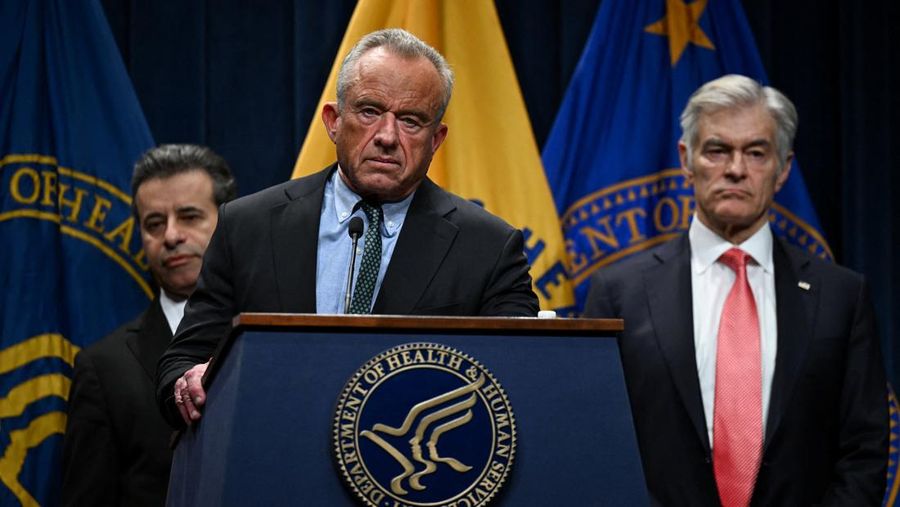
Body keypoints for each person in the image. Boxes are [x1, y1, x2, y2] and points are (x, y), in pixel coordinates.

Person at [156, 29, 539, 428]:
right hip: (274, 448)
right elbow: (181, 361)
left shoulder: (489, 248)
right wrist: (188, 383)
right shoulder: (248, 226)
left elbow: (520, 379)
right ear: (333, 121)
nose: (387, 137)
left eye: (411, 121)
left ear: (436, 139)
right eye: (369, 111)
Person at [584, 75, 887, 506]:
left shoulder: (841, 297)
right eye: (717, 150)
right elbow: (596, 440)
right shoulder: (619, 293)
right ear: (686, 159)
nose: (736, 169)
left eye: (756, 153)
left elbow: (864, 450)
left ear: (783, 168)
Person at [62, 145, 236, 506]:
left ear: (229, 221)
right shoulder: (104, 368)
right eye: (154, 224)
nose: (171, 236)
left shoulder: (270, 335)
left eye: (189, 217)